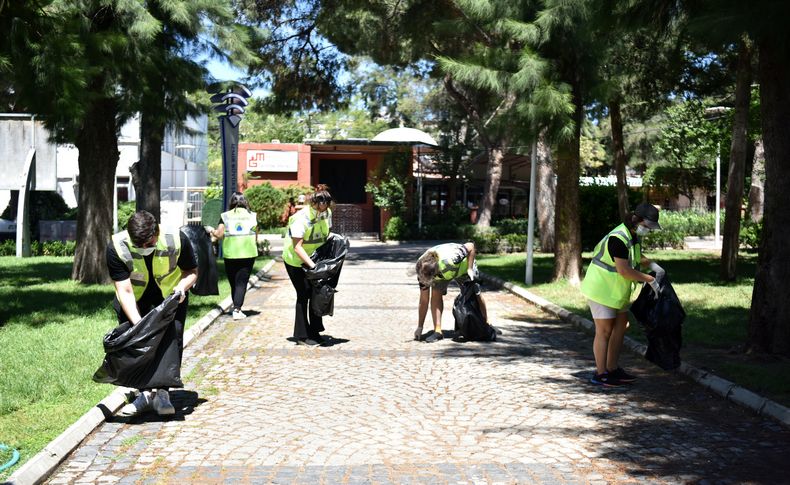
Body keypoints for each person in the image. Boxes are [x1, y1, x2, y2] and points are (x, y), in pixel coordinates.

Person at [107, 210, 198, 416]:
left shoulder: (176, 239)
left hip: (171, 297)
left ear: (156, 232)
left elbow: (192, 271)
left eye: (149, 244)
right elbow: (125, 290)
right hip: (135, 300)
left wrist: (182, 288)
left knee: (170, 344)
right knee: (138, 345)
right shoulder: (117, 247)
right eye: (139, 245)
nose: (144, 249)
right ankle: (145, 395)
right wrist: (141, 326)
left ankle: (163, 394)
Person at [580, 202, 665, 387]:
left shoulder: (633, 234)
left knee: (621, 327)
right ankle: (601, 374)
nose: (648, 230)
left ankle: (612, 369)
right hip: (601, 289)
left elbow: (636, 257)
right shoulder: (618, 238)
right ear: (638, 220)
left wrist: (653, 267)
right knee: (604, 331)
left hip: (616, 291)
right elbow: (624, 270)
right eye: (647, 226)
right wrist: (650, 280)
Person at [282, 185, 333, 346]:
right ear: (313, 203)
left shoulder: (326, 213)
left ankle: (315, 331)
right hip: (296, 261)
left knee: (317, 293)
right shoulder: (301, 218)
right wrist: (313, 266)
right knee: (303, 295)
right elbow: (297, 247)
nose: (323, 210)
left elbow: (326, 234)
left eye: (326, 207)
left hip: (314, 258)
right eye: (320, 207)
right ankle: (302, 335)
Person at [414, 242, 487, 343]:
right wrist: (419, 327)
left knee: (475, 294)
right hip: (440, 272)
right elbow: (424, 300)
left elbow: (471, 246)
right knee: (435, 295)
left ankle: (486, 324)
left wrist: (470, 269)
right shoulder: (422, 269)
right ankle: (438, 331)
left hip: (463, 267)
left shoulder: (453, 257)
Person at [209, 192, 258, 320]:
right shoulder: (252, 216)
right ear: (245, 201)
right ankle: (237, 309)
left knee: (234, 282)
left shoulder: (225, 216)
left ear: (231, 202)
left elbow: (219, 235)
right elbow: (256, 235)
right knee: (242, 282)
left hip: (231, 254)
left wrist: (210, 230)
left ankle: (236, 307)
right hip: (248, 253)